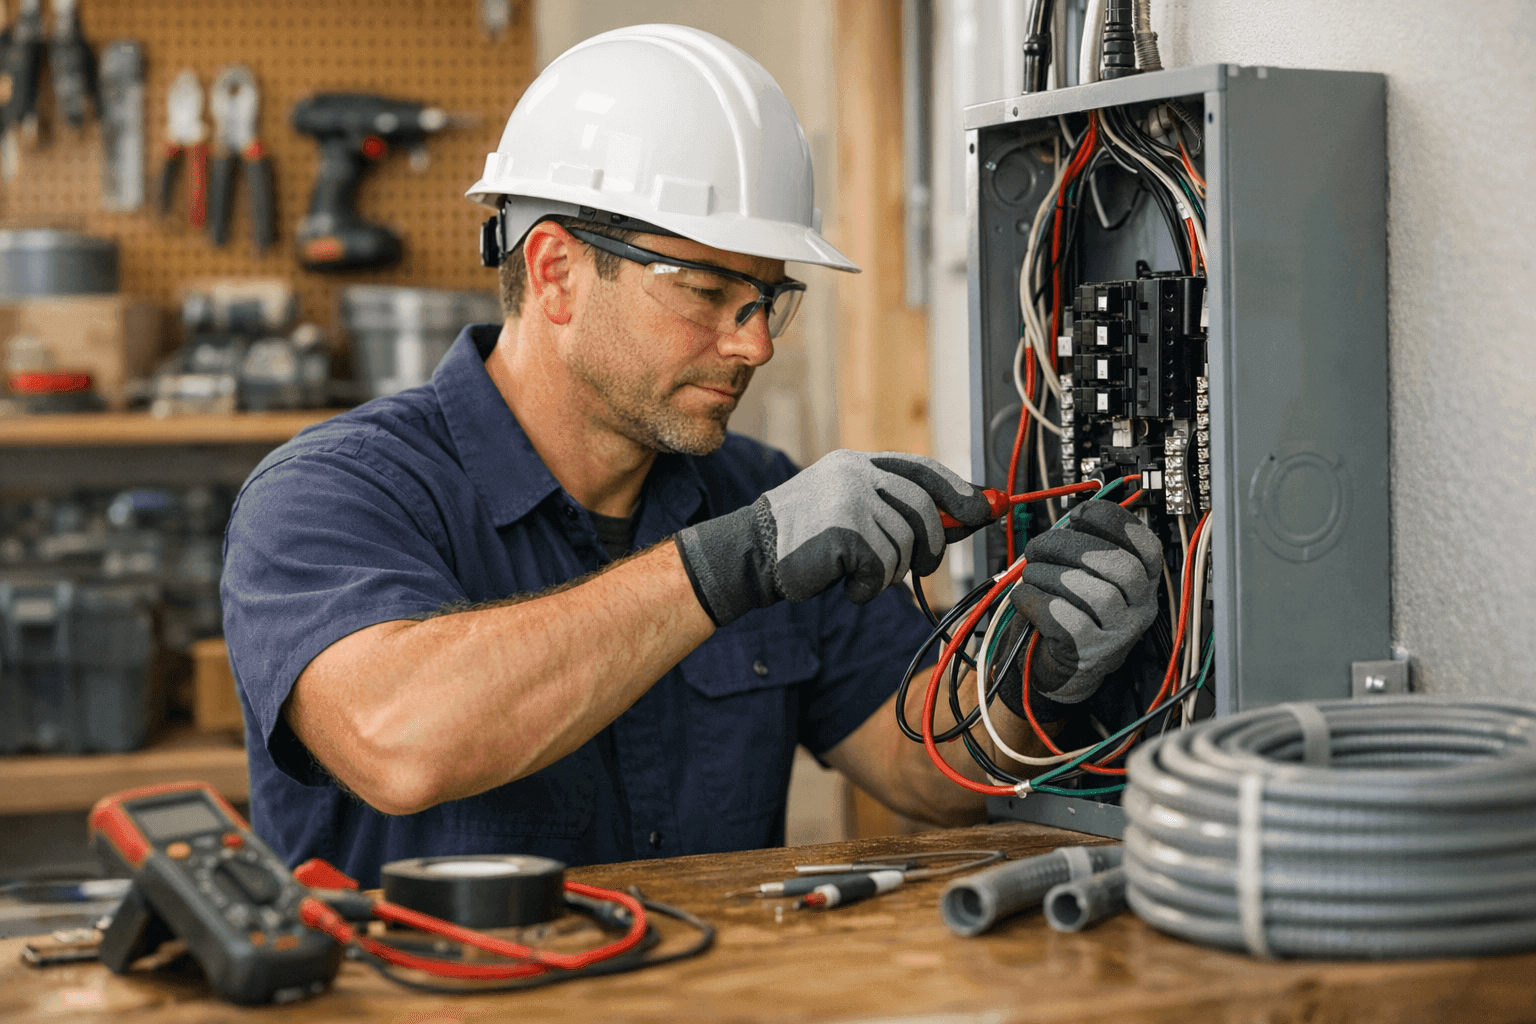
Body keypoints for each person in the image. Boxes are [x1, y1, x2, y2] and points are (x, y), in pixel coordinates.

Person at [221, 25, 1160, 887]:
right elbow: (399, 740)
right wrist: (724, 567)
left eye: (767, 300)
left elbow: (927, 767)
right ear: (554, 272)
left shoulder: (754, 490)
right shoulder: (331, 493)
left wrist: (1034, 673)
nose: (755, 345)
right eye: (709, 292)